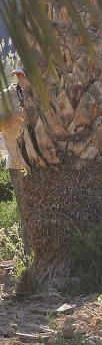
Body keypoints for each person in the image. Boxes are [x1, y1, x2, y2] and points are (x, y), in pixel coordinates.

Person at [1, 67, 29, 244]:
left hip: (44, 165)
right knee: (25, 215)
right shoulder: (5, 97)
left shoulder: (46, 92)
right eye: (22, 75)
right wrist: (14, 118)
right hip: (18, 165)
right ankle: (28, 258)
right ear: (18, 76)